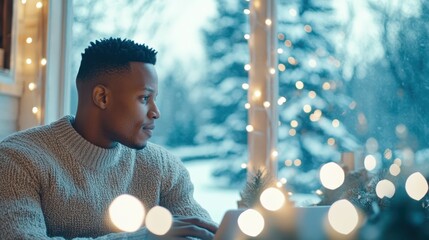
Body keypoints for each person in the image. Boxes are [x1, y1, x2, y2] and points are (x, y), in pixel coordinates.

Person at [0, 37, 218, 239]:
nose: (156, 112)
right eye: (144, 98)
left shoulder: (163, 167)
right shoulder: (18, 160)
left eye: (155, 99)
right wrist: (140, 237)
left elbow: (201, 232)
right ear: (102, 97)